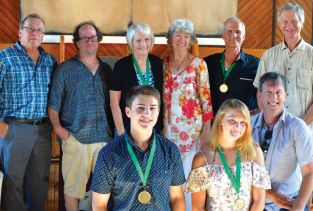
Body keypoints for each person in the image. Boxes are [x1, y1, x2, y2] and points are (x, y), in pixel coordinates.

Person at [48, 21, 113, 211]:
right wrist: (60, 131)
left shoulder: (107, 70)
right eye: (84, 38)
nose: (89, 41)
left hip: (104, 140)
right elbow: (53, 105)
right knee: (72, 189)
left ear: (98, 40)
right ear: (76, 42)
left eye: (93, 37)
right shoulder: (65, 70)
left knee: (104, 189)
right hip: (76, 139)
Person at [91, 85, 185, 210]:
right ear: (128, 112)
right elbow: (99, 205)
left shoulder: (171, 150)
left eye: (152, 108)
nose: (147, 113)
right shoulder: (108, 153)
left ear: (158, 111)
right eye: (141, 108)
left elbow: (177, 198)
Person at [0, 14, 56, 211]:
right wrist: (3, 128)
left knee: (39, 181)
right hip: (14, 129)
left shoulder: (50, 61)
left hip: (42, 130)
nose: (35, 33)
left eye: (40, 30)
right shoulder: (4, 57)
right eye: (31, 29)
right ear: (20, 31)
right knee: (13, 181)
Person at [163, 18, 213, 210]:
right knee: (172, 175)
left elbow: (206, 100)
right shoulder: (163, 63)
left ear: (191, 39)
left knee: (190, 174)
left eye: (186, 36)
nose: (182, 40)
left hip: (193, 130)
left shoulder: (199, 64)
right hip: (169, 129)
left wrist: (206, 131)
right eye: (178, 35)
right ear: (171, 38)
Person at [186, 99, 270, 211]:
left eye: (242, 123)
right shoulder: (202, 159)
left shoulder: (254, 152)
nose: (238, 127)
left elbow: (259, 201)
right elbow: (197, 207)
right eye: (232, 121)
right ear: (220, 120)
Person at [252, 72, 313, 210]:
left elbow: (310, 172)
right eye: (268, 92)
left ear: (286, 96)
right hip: (254, 201)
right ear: (260, 95)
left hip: (289, 202)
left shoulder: (297, 127)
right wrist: (269, 193)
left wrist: (298, 207)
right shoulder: (246, 126)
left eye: (278, 92)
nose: (273, 98)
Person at [254, 3, 313, 142]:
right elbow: (260, 93)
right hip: (273, 134)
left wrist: (300, 127)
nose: (290, 25)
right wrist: (269, 123)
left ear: (302, 23)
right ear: (279, 24)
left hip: (306, 135)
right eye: (285, 21)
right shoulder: (268, 56)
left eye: (294, 21)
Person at [109, 23, 163, 136]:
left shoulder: (157, 63)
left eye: (147, 39)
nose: (143, 44)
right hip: (128, 129)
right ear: (131, 43)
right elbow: (114, 103)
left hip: (153, 129)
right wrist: (121, 133)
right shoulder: (121, 66)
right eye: (138, 40)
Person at [204, 16, 259, 115]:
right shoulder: (207, 63)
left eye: (238, 32)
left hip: (242, 124)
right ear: (223, 35)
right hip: (216, 123)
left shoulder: (257, 64)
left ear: (243, 36)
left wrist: (257, 112)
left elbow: (263, 94)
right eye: (229, 31)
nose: (233, 35)